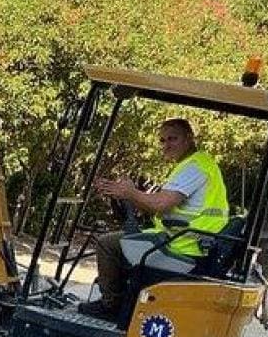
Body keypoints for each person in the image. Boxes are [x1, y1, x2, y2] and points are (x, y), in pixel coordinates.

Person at [81, 118, 227, 320]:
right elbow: (157, 205)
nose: (166, 145)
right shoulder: (194, 164)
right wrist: (127, 194)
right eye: (162, 140)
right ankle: (125, 304)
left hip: (183, 246)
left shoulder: (195, 167)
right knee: (127, 239)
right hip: (181, 239)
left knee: (108, 245)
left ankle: (111, 306)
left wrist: (131, 193)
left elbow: (160, 204)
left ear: (189, 138)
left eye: (172, 139)